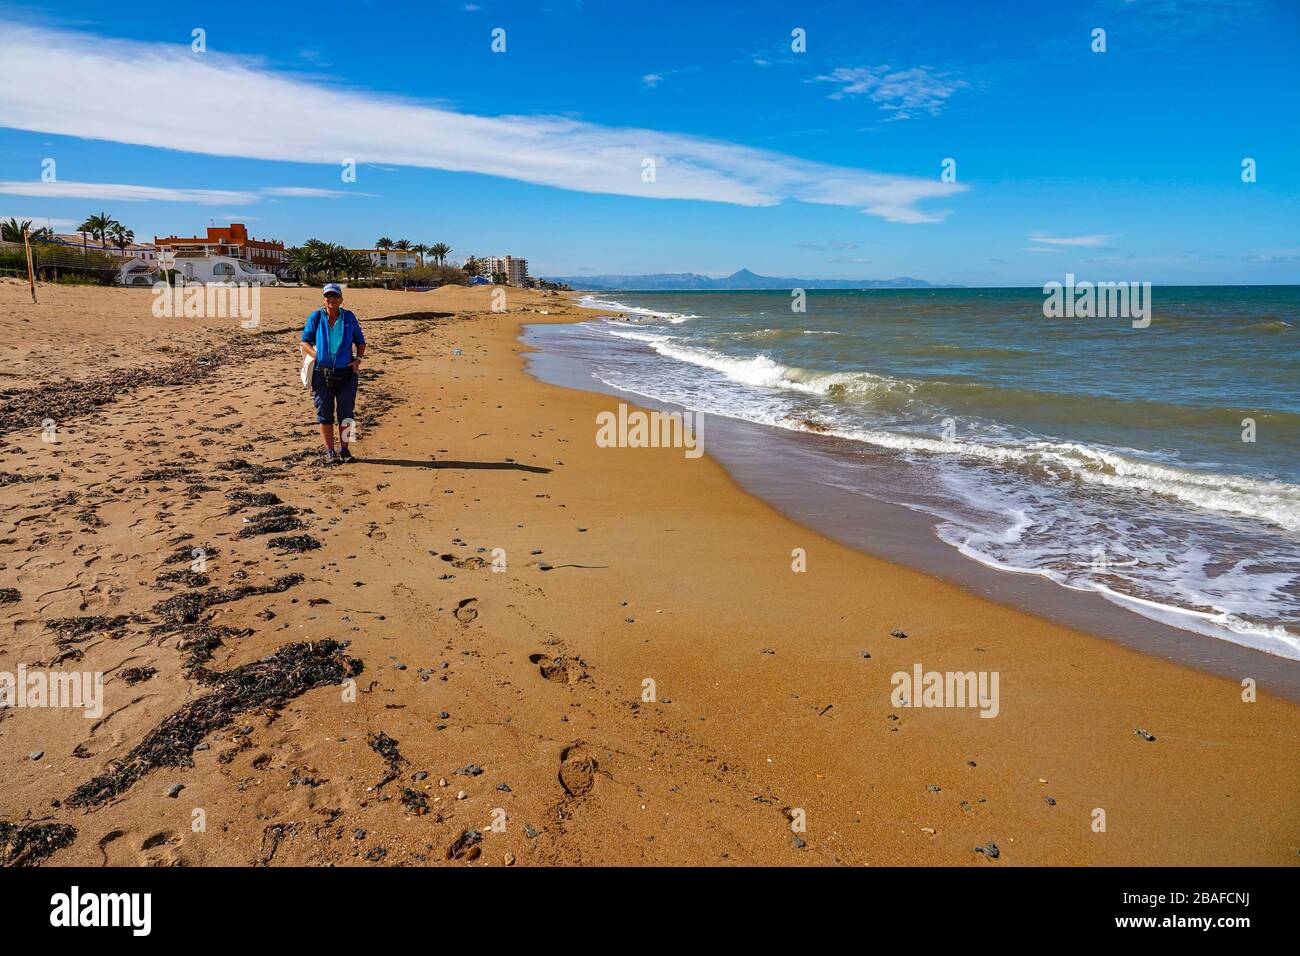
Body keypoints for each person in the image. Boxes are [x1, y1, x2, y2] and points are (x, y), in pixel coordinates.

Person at [300, 283, 366, 465]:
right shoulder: (316, 317)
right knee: (325, 413)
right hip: (322, 374)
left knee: (347, 414)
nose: (332, 299)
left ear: (341, 299)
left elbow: (360, 342)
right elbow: (304, 342)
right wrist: (316, 355)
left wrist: (358, 360)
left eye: (335, 296)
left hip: (347, 373)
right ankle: (330, 451)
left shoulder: (349, 317)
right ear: (324, 299)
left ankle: (345, 450)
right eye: (328, 296)